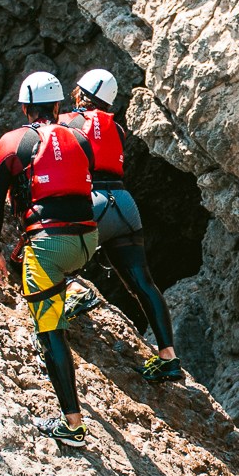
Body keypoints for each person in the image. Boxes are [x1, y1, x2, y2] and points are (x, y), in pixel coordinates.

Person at [0, 72, 99, 448]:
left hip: (48, 247)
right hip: (88, 241)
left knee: (50, 333)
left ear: (23, 107)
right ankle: (73, 290)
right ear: (58, 106)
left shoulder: (13, 141)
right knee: (53, 282)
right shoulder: (80, 137)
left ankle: (73, 426)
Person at [58, 68, 183, 382]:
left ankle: (73, 290)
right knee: (143, 282)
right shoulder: (119, 129)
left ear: (79, 93)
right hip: (125, 204)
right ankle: (168, 358)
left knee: (55, 253)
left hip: (94, 200)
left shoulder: (67, 123)